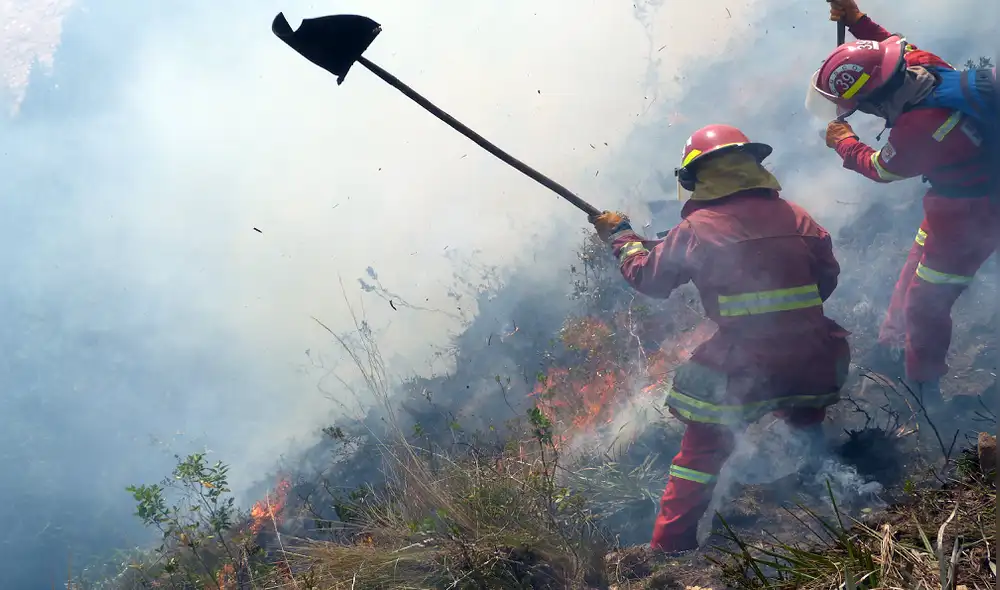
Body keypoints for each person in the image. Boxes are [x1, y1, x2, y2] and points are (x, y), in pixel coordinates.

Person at [589, 124, 851, 553]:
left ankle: (670, 550)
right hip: (814, 356)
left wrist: (622, 238)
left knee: (700, 455)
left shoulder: (696, 230)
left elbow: (649, 280)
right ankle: (833, 506)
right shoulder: (799, 216)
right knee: (805, 423)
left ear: (697, 178)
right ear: (753, 166)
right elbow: (827, 280)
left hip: (743, 366)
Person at [808, 0, 996, 406]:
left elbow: (881, 168)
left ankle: (924, 385)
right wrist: (857, 21)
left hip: (972, 214)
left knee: (927, 303)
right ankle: (893, 343)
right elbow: (888, 46)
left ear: (875, 102)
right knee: (916, 264)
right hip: (950, 201)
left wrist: (844, 142)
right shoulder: (919, 66)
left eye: (860, 107)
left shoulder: (918, 127)